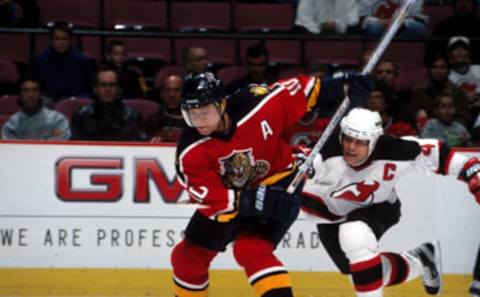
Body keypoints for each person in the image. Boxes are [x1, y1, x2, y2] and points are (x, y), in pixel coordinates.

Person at [172, 71, 370, 297]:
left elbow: (303, 91)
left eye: (204, 113)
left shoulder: (257, 104)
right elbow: (214, 200)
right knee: (186, 258)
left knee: (251, 249)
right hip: (234, 199)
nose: (198, 121)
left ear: (222, 104)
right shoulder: (190, 151)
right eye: (191, 114)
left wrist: (342, 86)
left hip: (280, 182)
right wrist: (252, 201)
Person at [301, 107, 480, 297]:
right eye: (348, 139)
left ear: (375, 141)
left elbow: (445, 157)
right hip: (330, 215)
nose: (351, 147)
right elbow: (290, 163)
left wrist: (473, 174)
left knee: (354, 236)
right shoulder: (323, 156)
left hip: (379, 207)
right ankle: (420, 260)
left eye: (360, 142)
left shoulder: (395, 149)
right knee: (360, 275)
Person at [70, 68, 143, 141]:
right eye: (103, 85)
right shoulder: (80, 115)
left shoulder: (133, 115)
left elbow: (137, 145)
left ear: (119, 89)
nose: (108, 89)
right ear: (95, 89)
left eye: (112, 85)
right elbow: (76, 146)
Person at [32, 21, 95, 102]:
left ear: (71, 41)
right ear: (51, 41)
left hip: (75, 101)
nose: (61, 42)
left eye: (65, 39)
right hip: (49, 103)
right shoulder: (40, 61)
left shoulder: (83, 61)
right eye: (57, 39)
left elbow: (89, 89)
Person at [411, 54, 471, 129]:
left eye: (442, 67)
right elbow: (412, 116)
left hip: (451, 134)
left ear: (448, 70)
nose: (438, 71)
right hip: (425, 131)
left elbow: (464, 118)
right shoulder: (419, 91)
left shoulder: (458, 92)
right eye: (434, 67)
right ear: (429, 70)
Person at [1, 77, 70, 140]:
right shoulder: (13, 123)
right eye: (26, 90)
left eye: (35, 90)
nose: (31, 94)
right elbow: (10, 147)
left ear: (41, 94)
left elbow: (61, 142)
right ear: (20, 95)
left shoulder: (57, 120)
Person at [424, 0, 480, 66]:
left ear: (473, 4)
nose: (464, 4)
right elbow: (431, 55)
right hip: (447, 70)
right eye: (460, 1)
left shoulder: (478, 27)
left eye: (467, 1)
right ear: (454, 4)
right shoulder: (442, 27)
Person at [144, 75, 186, 143]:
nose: (172, 95)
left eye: (177, 90)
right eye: (168, 90)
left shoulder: (192, 120)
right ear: (162, 93)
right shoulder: (153, 120)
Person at [357, 0, 428, 36]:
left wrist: (399, 22)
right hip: (377, 24)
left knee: (420, 27)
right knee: (373, 26)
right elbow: (360, 16)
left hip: (402, 26)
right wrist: (381, 21)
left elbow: (417, 17)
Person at [293, 0, 359, 34]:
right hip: (314, 41)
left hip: (342, 43)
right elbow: (302, 21)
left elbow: (353, 21)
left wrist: (337, 26)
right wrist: (320, 28)